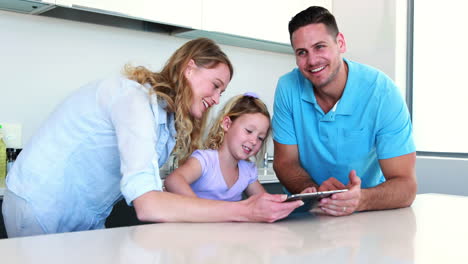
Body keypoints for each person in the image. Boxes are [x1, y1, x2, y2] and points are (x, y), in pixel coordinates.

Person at [2, 38, 302, 237]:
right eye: (214, 85)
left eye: (222, 92)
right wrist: (242, 211)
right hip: (41, 206)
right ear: (189, 68)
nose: (216, 97)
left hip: (84, 216)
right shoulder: (134, 100)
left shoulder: (165, 120)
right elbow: (147, 205)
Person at [272, 6, 416, 216]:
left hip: (368, 214)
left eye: (320, 47)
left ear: (340, 43)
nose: (312, 61)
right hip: (310, 215)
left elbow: (406, 186)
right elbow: (285, 162)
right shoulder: (287, 87)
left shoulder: (383, 93)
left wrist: (360, 199)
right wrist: (314, 192)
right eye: (302, 52)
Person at [164, 93, 269, 201]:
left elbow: (265, 202)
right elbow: (173, 180)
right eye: (249, 131)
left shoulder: (248, 171)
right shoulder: (205, 161)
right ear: (227, 124)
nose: (254, 141)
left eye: (260, 138)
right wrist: (202, 209)